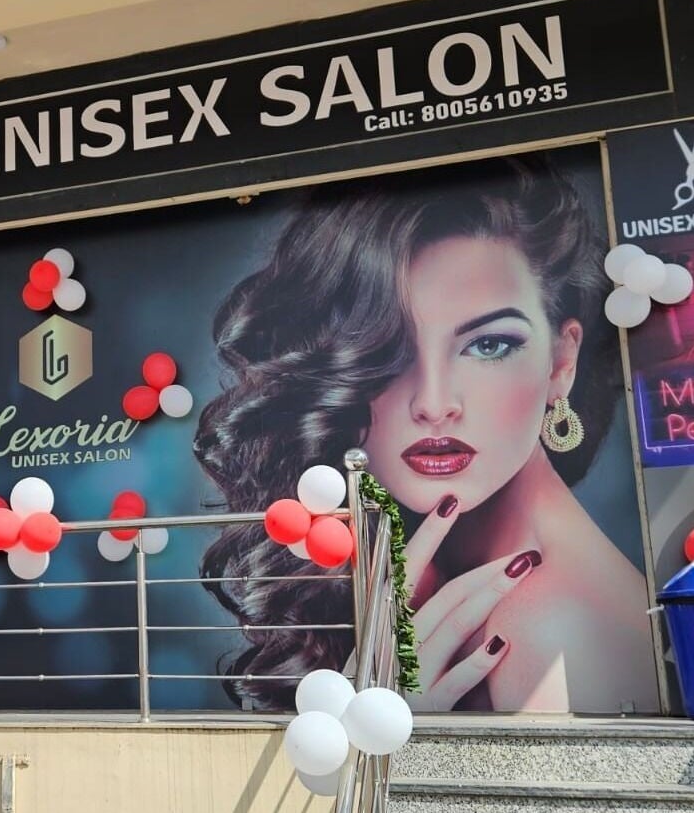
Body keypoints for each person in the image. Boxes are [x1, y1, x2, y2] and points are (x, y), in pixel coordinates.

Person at [194, 155, 657, 714]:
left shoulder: (551, 627)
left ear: (561, 360)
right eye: (389, 352)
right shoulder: (444, 577)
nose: (434, 404)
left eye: (488, 345)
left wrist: (396, 738)